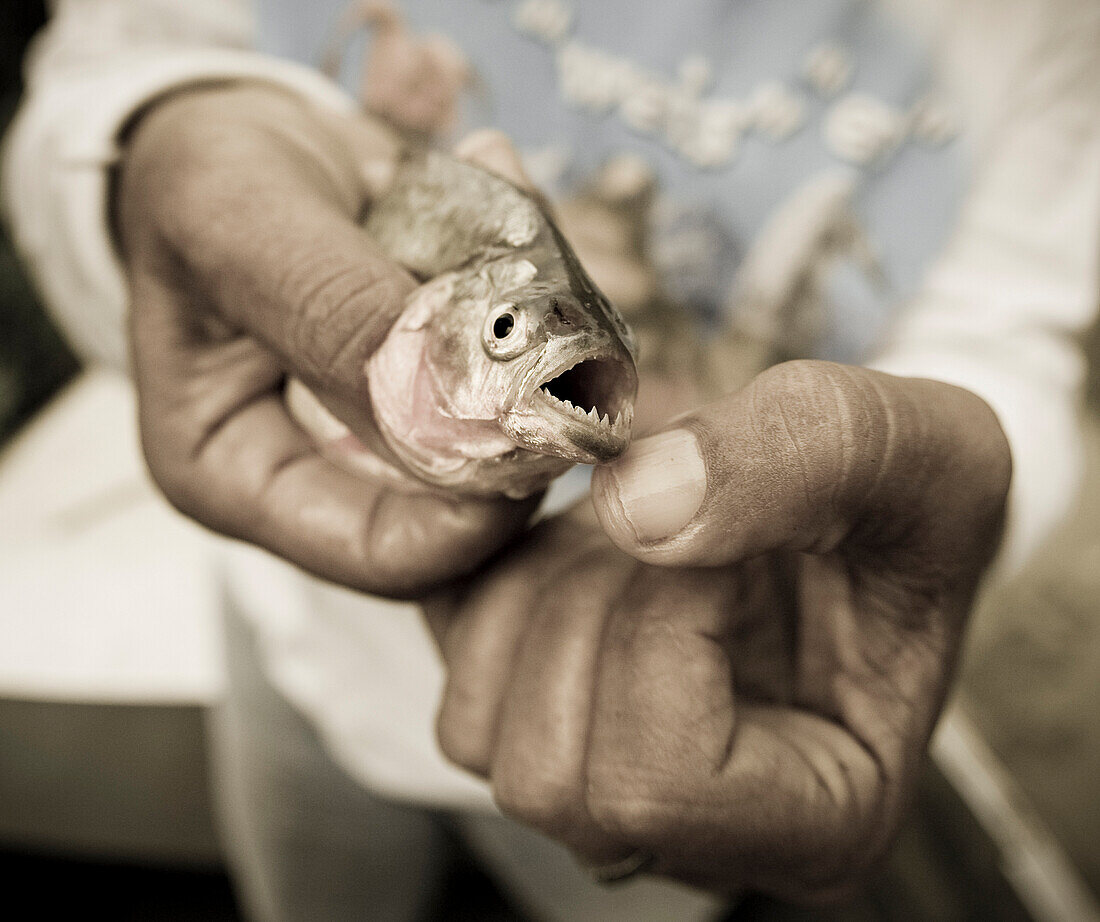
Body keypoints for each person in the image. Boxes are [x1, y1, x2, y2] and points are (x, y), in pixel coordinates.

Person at [4, 0, 1099, 919]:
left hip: (675, 703)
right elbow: (112, 57)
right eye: (497, 340)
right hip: (291, 646)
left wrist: (937, 499)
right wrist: (157, 140)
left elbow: (1005, 337)